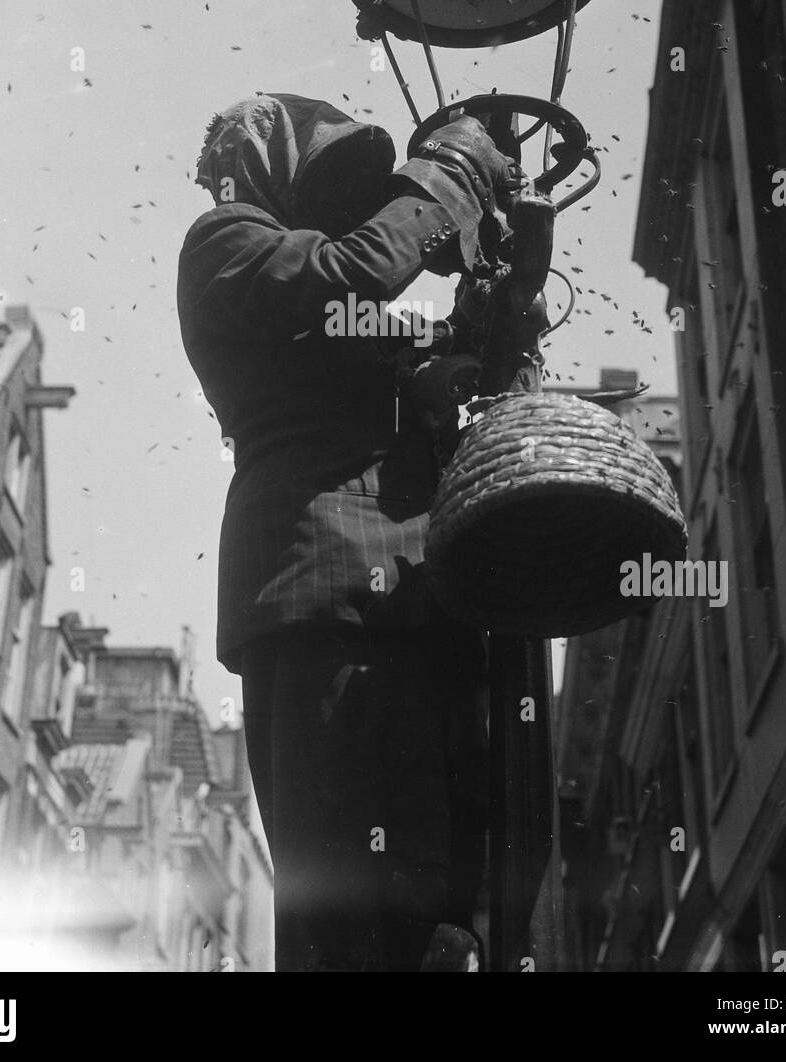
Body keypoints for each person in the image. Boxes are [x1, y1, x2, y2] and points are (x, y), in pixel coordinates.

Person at [177, 92, 518, 971]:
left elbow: (382, 332)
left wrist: (465, 339)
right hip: (325, 603)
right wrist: (445, 181)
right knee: (350, 917)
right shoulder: (224, 246)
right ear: (257, 165)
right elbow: (350, 274)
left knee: (431, 912)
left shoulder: (319, 313)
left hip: (410, 611)